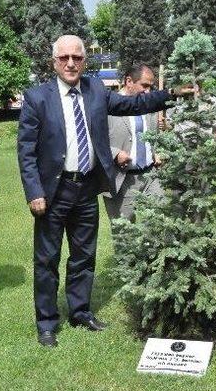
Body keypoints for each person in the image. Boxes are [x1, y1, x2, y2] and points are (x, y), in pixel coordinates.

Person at [17, 35, 192, 347]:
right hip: (53, 191)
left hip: (86, 187)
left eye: (77, 58)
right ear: (54, 62)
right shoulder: (37, 97)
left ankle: (80, 311)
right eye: (64, 58)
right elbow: (26, 151)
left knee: (84, 255)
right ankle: (46, 323)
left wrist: (173, 94)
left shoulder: (96, 90)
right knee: (47, 259)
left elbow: (133, 103)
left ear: (85, 61)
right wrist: (34, 192)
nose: (71, 63)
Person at [104, 64, 163, 222]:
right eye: (144, 85)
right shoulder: (107, 106)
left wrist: (156, 151)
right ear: (129, 81)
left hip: (151, 176)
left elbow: (154, 136)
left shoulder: (150, 105)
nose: (148, 91)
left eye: (151, 87)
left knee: (162, 225)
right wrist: (115, 154)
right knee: (125, 236)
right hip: (122, 180)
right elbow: (93, 139)